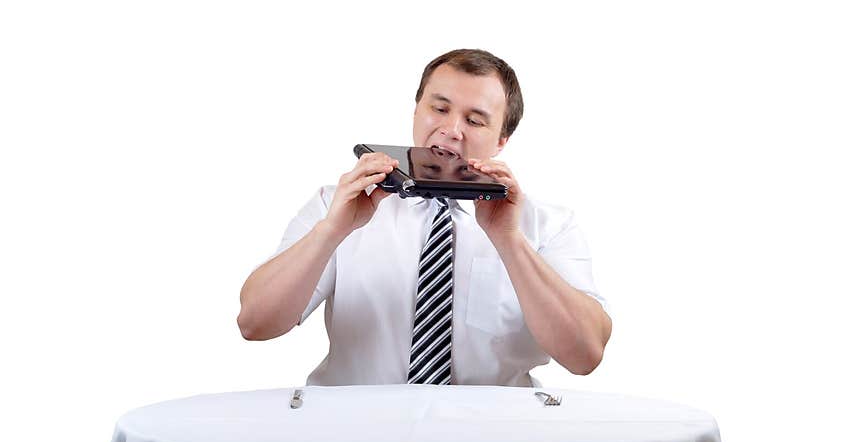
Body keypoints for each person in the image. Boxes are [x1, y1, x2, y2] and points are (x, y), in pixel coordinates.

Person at [237, 49, 612, 387]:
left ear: (502, 140)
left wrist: (510, 240)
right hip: (353, 441)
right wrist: (332, 231)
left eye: (476, 120)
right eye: (440, 108)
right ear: (416, 110)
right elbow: (255, 323)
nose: (452, 130)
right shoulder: (337, 204)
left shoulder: (549, 226)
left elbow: (584, 355)